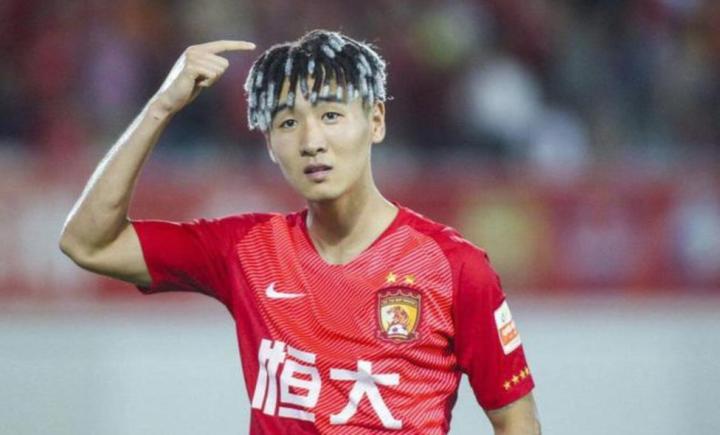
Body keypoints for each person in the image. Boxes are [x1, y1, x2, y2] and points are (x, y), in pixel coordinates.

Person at [59, 29, 540, 434]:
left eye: (331, 115)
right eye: (288, 122)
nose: (311, 141)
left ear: (375, 121)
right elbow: (89, 243)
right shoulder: (246, 250)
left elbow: (515, 420)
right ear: (270, 143)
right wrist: (162, 107)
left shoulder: (453, 267)